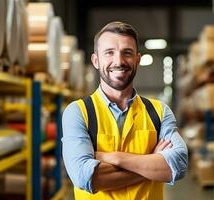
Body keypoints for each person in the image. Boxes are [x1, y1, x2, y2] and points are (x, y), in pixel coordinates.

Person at [62, 21, 188, 199]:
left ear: (137, 59)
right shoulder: (78, 112)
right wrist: (152, 161)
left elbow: (179, 165)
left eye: (127, 53)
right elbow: (84, 176)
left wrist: (114, 158)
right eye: (109, 53)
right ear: (96, 61)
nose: (119, 61)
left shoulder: (159, 112)